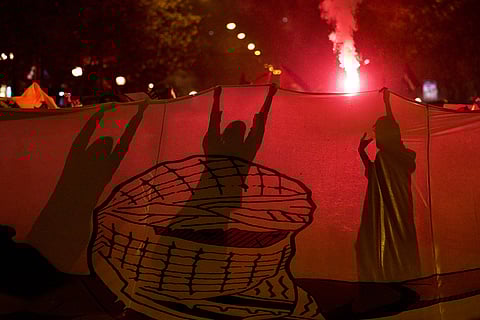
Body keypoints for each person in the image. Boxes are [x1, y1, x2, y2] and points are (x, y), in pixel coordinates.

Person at [356, 88, 421, 282]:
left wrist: (361, 152)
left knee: (376, 243)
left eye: (377, 132)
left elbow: (374, 175)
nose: (375, 137)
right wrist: (387, 103)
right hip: (400, 207)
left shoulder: (387, 156)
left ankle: (390, 280)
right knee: (401, 241)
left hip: (387, 209)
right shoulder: (400, 154)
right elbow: (395, 130)